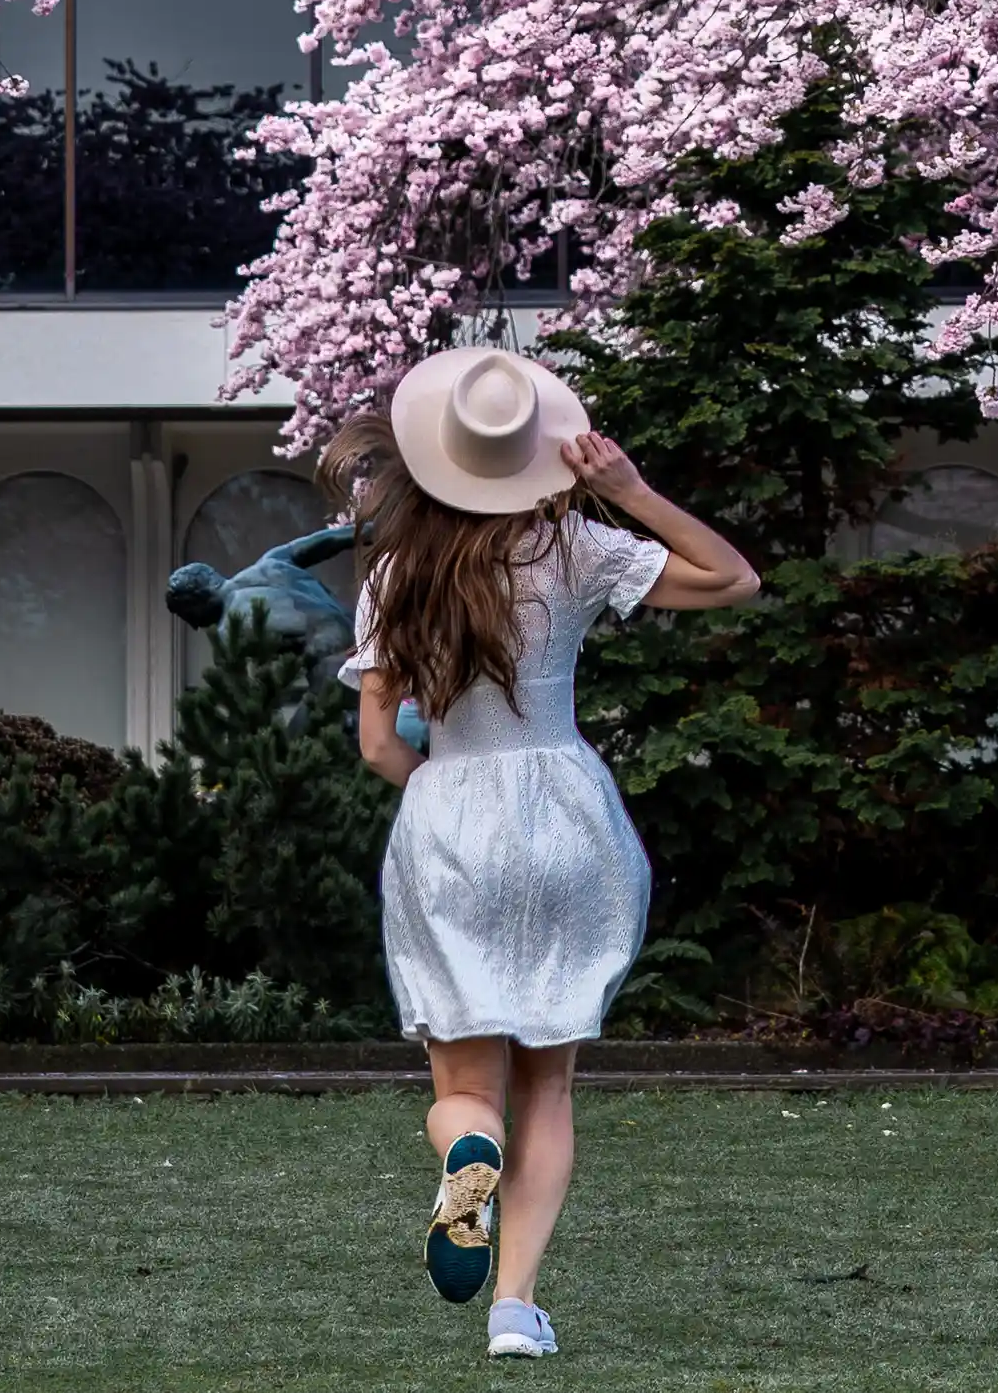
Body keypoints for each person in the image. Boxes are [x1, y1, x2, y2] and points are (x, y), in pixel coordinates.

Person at [321, 347, 759, 1362]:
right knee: (549, 1087)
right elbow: (731, 578)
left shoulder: (393, 575)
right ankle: (514, 1311)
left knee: (464, 1090)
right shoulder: (577, 554)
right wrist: (630, 489)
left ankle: (465, 1152)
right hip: (565, 813)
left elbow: (380, 746)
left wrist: (441, 795)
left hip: (449, 818)